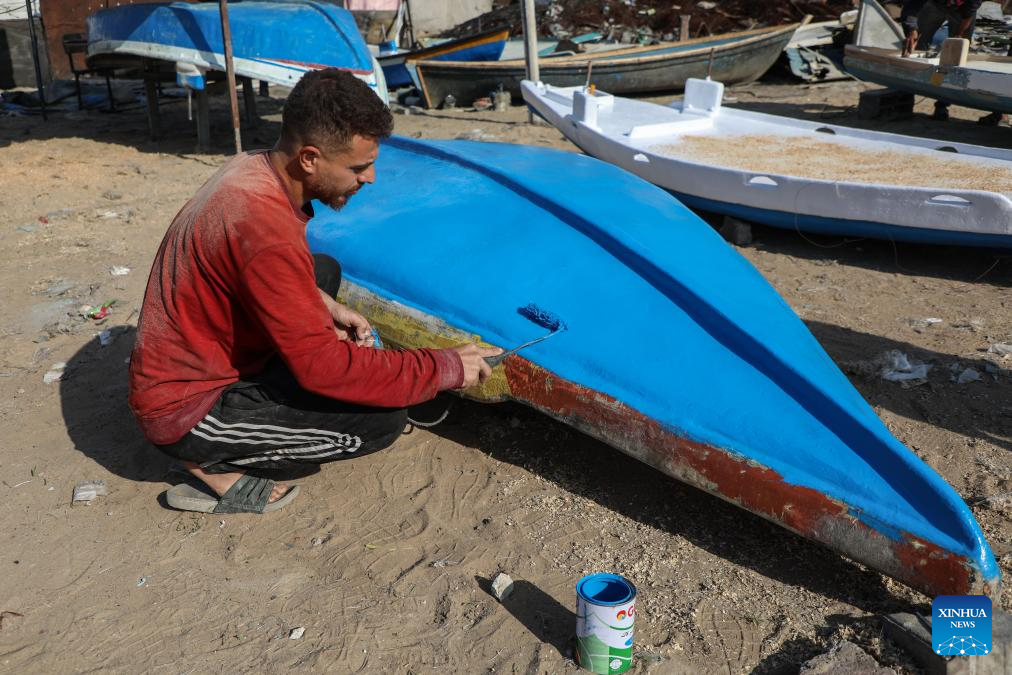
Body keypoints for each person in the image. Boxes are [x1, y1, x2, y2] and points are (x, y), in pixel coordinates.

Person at [128, 68, 501, 514]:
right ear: (309, 158)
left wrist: (322, 306)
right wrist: (442, 367)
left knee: (321, 270)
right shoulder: (263, 229)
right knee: (380, 423)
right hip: (183, 406)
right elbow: (323, 370)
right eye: (359, 167)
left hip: (198, 348)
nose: (371, 178)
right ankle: (205, 461)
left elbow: (259, 271)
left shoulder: (253, 170)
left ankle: (260, 383)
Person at [903, 0, 1001, 125]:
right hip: (933, 5)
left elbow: (968, 14)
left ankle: (942, 105)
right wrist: (911, 28)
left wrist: (958, 35)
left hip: (962, 12)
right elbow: (912, 7)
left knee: (956, 54)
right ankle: (905, 93)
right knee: (917, 47)